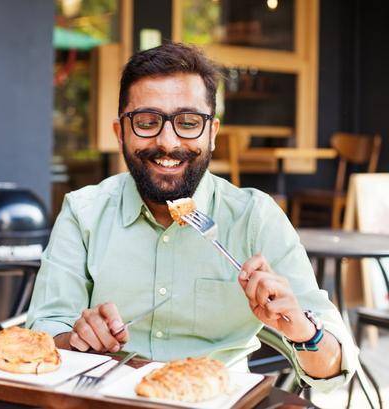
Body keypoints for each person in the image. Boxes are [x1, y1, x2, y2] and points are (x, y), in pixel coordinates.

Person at [26, 42, 356, 391]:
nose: (168, 142)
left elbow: (333, 371)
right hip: (107, 395)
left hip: (218, 397)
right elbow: (44, 332)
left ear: (212, 134)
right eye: (147, 122)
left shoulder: (255, 218)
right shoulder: (84, 212)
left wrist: (303, 330)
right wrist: (76, 340)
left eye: (187, 122)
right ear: (120, 132)